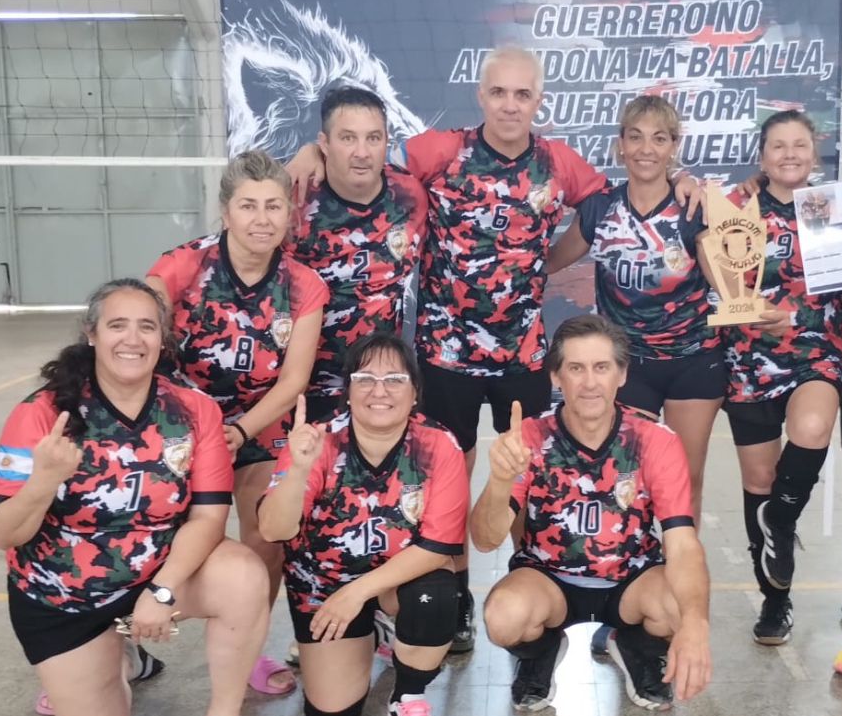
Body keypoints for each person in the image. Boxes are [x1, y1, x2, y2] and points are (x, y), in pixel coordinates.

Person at [288, 47, 702, 653]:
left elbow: (623, 194)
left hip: (523, 357)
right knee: (448, 478)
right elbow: (365, 160)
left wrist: (684, 181)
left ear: (538, 102)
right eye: (499, 93)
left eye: (522, 94)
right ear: (481, 96)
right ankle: (454, 597)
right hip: (446, 356)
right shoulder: (439, 151)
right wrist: (312, 151)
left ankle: (535, 578)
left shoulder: (558, 163)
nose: (510, 105)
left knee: (527, 476)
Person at [0, 279, 284, 716]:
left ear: (163, 339)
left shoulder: (194, 410)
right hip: (64, 594)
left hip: (156, 569)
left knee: (244, 574)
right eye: (117, 325)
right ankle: (122, 654)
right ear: (92, 334)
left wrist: (163, 592)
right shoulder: (41, 413)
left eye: (147, 326)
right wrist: (43, 481)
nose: (132, 339)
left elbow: (209, 517)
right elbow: (4, 533)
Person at [146, 150, 329, 696]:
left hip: (258, 422)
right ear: (226, 212)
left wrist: (241, 430)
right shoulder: (179, 268)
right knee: (143, 530)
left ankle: (249, 649)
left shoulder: (304, 284)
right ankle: (117, 643)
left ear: (290, 214)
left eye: (273, 206)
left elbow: (294, 380)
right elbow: (136, 348)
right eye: (248, 206)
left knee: (266, 538)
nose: (261, 219)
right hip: (178, 424)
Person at [470, 315, 712, 712]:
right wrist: (499, 480)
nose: (589, 382)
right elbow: (484, 540)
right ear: (556, 377)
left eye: (601, 367)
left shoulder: (654, 440)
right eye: (575, 368)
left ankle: (635, 647)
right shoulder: (528, 437)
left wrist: (696, 624)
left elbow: (683, 545)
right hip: (548, 578)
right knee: (503, 618)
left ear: (622, 374)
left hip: (632, 578)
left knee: (681, 610)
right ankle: (542, 652)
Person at [257, 333, 466, 716]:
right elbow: (273, 530)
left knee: (436, 597)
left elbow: (438, 545)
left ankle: (408, 698)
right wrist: (298, 471)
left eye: (394, 379)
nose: (379, 391)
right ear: (348, 391)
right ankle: (376, 632)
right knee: (332, 713)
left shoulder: (439, 445)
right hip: (322, 581)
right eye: (365, 378)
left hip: (396, 578)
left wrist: (357, 594)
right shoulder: (316, 441)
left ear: (414, 393)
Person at [716, 110, 842, 646]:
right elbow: (717, 280)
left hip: (817, 349)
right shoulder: (736, 208)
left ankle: (782, 523)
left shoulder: (833, 210)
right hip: (748, 357)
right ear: (762, 157)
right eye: (778, 145)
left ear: (815, 152)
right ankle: (775, 600)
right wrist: (751, 311)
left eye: (800, 144)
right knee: (759, 482)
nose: (789, 154)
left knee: (811, 430)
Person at [546, 95, 722, 524]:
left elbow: (727, 281)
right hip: (627, 365)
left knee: (685, 477)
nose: (646, 149)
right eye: (636, 137)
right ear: (620, 144)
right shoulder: (601, 208)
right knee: (628, 476)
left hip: (693, 360)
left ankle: (680, 560)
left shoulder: (694, 208)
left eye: (659, 139)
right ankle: (630, 559)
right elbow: (549, 263)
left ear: (673, 146)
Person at [290, 86, 428, 425]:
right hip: (305, 389)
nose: (362, 152)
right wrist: (300, 160)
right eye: (348, 138)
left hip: (381, 387)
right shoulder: (294, 199)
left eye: (373, 138)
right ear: (325, 144)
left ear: (386, 141)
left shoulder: (410, 193)